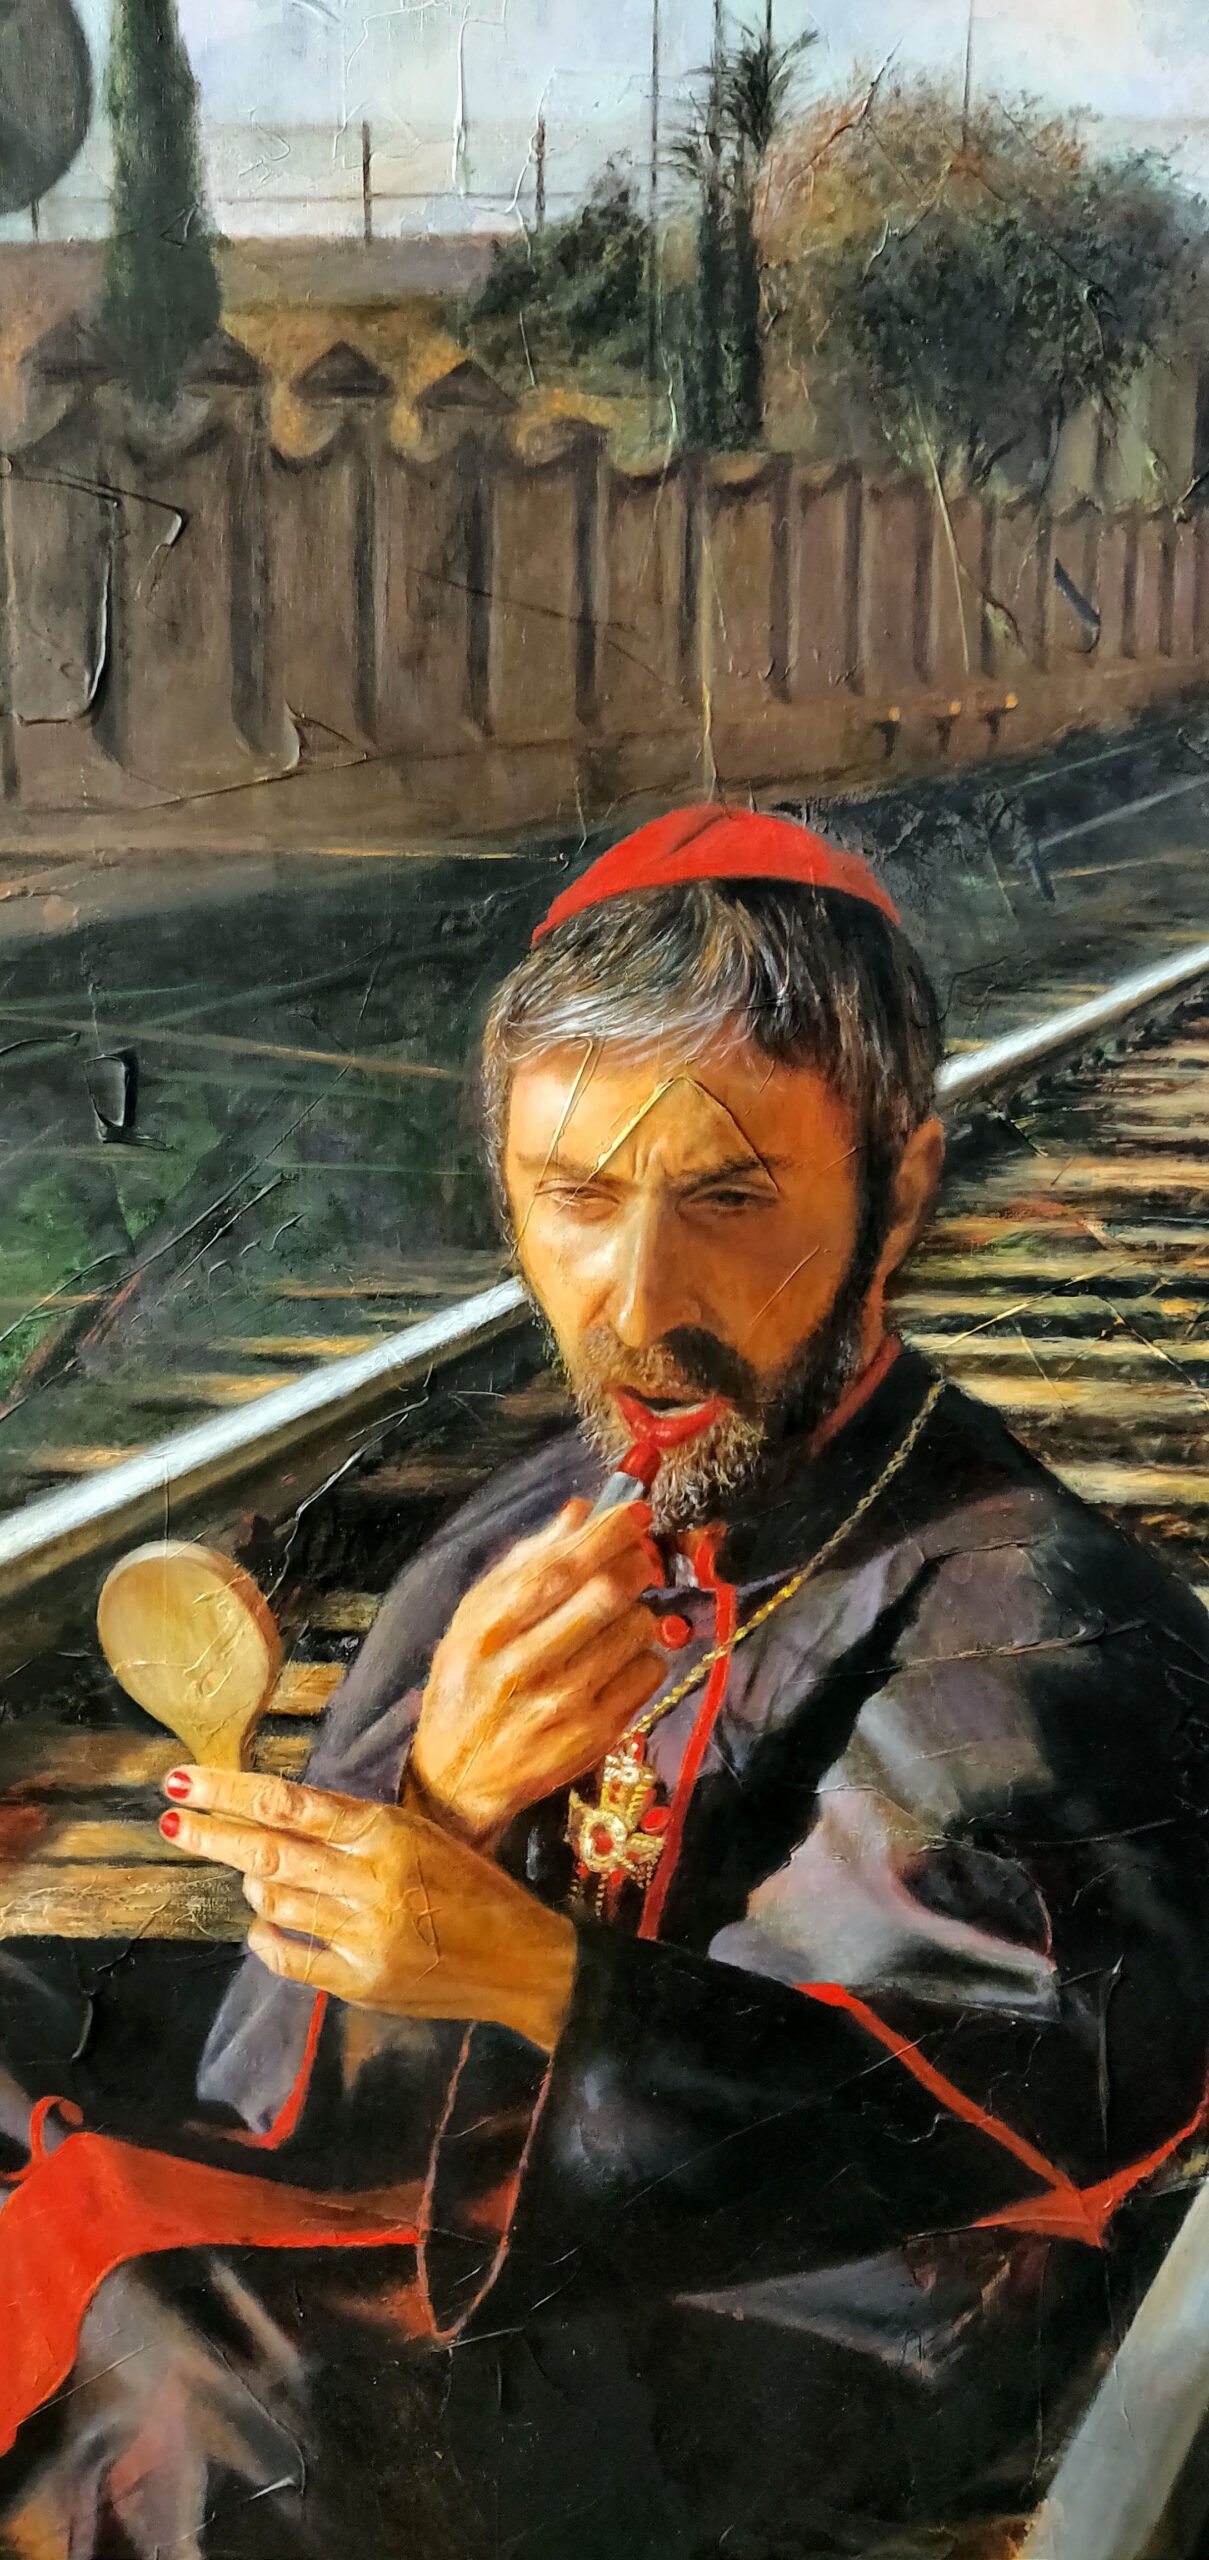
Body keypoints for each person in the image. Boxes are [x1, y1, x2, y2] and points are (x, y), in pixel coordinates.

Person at [4, 803, 1209, 2560]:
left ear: (896, 1197)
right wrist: (442, 1810)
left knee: (189, 2370)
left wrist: (531, 1968)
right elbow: (282, 2083)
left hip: (773, 2331)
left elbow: (1005, 2151)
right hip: (466, 2192)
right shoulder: (519, 1526)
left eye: (730, 1199)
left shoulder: (1039, 1616)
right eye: (575, 1200)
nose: (639, 1302)